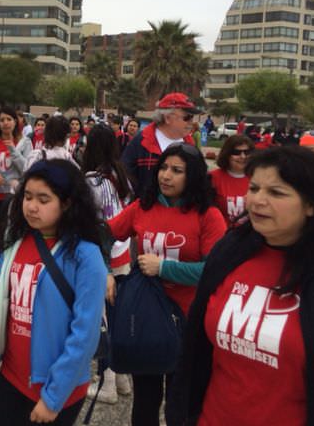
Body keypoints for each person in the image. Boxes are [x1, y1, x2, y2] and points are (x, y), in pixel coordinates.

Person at [166, 146, 314, 425]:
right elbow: (195, 348)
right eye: (254, 188)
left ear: (311, 204)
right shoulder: (230, 249)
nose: (257, 201)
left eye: (276, 192)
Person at [0, 159, 107, 426]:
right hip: (12, 379)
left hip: (57, 388)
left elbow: (85, 334)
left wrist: (53, 397)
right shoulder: (16, 243)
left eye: (44, 199)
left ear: (66, 203)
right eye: (28, 196)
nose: (32, 206)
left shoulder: (85, 256)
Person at [109, 143, 226, 426]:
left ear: (194, 175)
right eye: (163, 168)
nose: (166, 176)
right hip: (147, 320)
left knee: (180, 403)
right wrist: (103, 271)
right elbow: (102, 233)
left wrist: (165, 268)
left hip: (190, 323)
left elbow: (216, 270)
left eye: (177, 170)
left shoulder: (209, 216)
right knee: (145, 400)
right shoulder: (142, 207)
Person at [81, 123, 134, 404]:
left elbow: (86, 218)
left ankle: (107, 382)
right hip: (123, 253)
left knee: (101, 321)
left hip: (101, 257)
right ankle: (121, 377)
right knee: (116, 318)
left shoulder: (90, 180)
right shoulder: (121, 175)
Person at [0, 106, 32, 265]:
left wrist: (12, 148)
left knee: (11, 233)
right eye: (2, 120)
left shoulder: (25, 142)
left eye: (9, 119)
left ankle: (9, 267)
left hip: (13, 196)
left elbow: (27, 168)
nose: (5, 123)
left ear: (16, 122)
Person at [122, 92, 199, 199]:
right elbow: (125, 180)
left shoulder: (190, 145)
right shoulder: (139, 143)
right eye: (187, 117)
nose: (191, 122)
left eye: (192, 117)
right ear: (167, 118)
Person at [209, 135, 255, 229]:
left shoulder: (259, 177)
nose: (243, 156)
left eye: (247, 152)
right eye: (236, 153)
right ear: (227, 154)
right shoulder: (212, 178)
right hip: (223, 235)